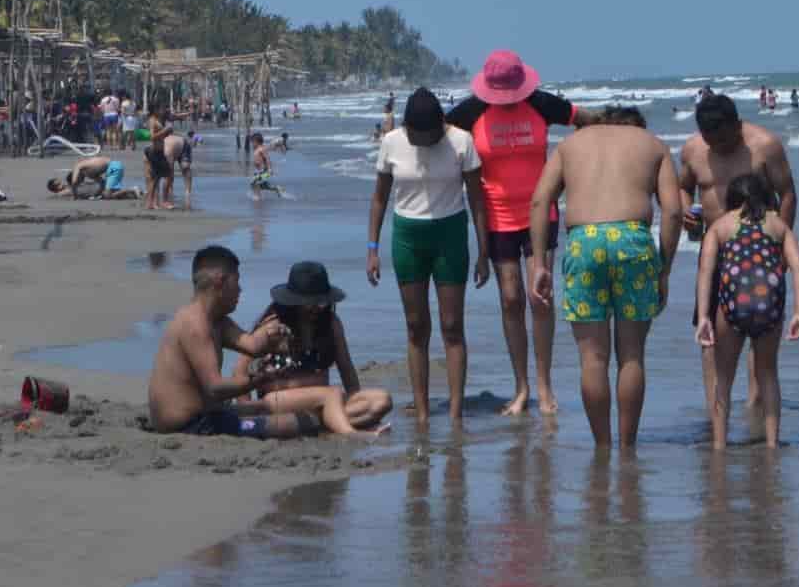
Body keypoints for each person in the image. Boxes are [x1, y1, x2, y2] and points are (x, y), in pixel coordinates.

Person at [446, 50, 596, 416]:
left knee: (539, 298)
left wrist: (580, 169)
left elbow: (590, 121)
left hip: (539, 213)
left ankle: (544, 387)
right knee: (511, 299)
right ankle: (521, 387)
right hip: (496, 217)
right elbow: (435, 135)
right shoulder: (470, 112)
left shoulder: (542, 104)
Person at [528, 105, 682, 448]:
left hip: (585, 243)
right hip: (633, 241)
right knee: (631, 355)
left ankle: (602, 446)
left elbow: (540, 202)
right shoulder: (653, 145)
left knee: (593, 358)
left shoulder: (572, 145)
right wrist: (664, 267)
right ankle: (628, 446)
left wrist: (539, 263)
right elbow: (673, 211)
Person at [147, 245, 371, 438]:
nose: (241, 290)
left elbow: (252, 344)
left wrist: (272, 335)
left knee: (295, 415)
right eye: (237, 282)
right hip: (190, 425)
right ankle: (342, 426)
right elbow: (215, 388)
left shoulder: (219, 322)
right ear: (220, 282)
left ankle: (334, 418)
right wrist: (256, 381)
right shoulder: (195, 324)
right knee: (295, 424)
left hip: (208, 413)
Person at [366, 88, 490, 424]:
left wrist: (483, 251)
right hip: (408, 237)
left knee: (452, 326)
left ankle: (454, 411)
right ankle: (421, 412)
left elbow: (478, 199)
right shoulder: (392, 141)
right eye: (417, 136)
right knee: (416, 327)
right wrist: (372, 249)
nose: (423, 143)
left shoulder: (461, 142)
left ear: (441, 126)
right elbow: (379, 198)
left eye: (430, 136)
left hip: (450, 235)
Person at [679, 94, 797, 410]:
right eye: (710, 139)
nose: (717, 145)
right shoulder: (692, 149)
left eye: (723, 138)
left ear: (737, 125)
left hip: (759, 250)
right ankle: (714, 407)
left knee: (759, 328)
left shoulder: (765, 146)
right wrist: (683, 211)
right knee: (708, 330)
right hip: (714, 251)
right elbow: (684, 186)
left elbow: (787, 194)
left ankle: (756, 403)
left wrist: (782, 248)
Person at [694, 173, 799, 449]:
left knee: (724, 377)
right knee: (768, 373)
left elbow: (706, 271)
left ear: (732, 199)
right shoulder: (777, 224)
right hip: (770, 305)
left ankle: (720, 445)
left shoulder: (720, 226)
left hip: (733, 304)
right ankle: (771, 443)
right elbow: (798, 266)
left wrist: (704, 318)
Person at [230, 261, 393, 430]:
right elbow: (240, 371)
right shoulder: (274, 327)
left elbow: (346, 369)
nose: (316, 308)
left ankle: (321, 422)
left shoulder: (331, 324)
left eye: (321, 302)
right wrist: (249, 416)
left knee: (381, 401)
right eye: (309, 303)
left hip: (325, 404)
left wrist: (355, 399)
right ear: (293, 301)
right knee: (333, 393)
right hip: (281, 405)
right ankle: (332, 424)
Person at [47, 156, 140, 200]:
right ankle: (135, 193)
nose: (81, 181)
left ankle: (132, 190)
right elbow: (101, 182)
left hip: (114, 167)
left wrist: (75, 196)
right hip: (113, 167)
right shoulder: (88, 173)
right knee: (109, 193)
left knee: (107, 196)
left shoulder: (78, 167)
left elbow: (74, 182)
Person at [163, 129, 194, 211]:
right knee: (169, 172)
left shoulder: (167, 148)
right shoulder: (163, 149)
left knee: (185, 167)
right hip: (173, 148)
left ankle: (188, 192)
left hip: (183, 145)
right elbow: (169, 171)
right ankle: (170, 191)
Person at [145, 125, 173, 211]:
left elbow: (160, 136)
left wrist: (166, 132)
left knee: (157, 178)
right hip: (154, 152)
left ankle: (151, 203)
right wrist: (165, 130)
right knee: (165, 176)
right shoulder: (153, 120)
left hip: (159, 152)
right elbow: (152, 137)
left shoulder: (159, 120)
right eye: (162, 110)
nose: (163, 110)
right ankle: (161, 202)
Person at [250, 132, 281, 200]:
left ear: (257, 142)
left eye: (253, 142)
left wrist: (270, 169)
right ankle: (276, 189)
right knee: (262, 186)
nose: (252, 144)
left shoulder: (261, 149)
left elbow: (267, 158)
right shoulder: (257, 149)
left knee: (255, 183)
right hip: (258, 171)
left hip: (265, 171)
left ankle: (258, 197)